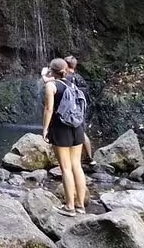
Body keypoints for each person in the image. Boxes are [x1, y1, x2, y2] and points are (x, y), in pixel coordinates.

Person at [42, 57, 87, 217]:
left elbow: (49, 109)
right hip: (77, 127)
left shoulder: (51, 86)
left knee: (66, 169)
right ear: (65, 70)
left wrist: (45, 129)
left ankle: (69, 207)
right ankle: (80, 205)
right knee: (77, 166)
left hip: (61, 129)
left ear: (51, 70)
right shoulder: (72, 85)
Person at [65, 56, 95, 167]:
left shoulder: (68, 78)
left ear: (66, 65)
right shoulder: (79, 77)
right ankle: (89, 157)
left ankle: (72, 159)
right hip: (81, 109)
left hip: (71, 111)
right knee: (81, 132)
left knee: (75, 133)